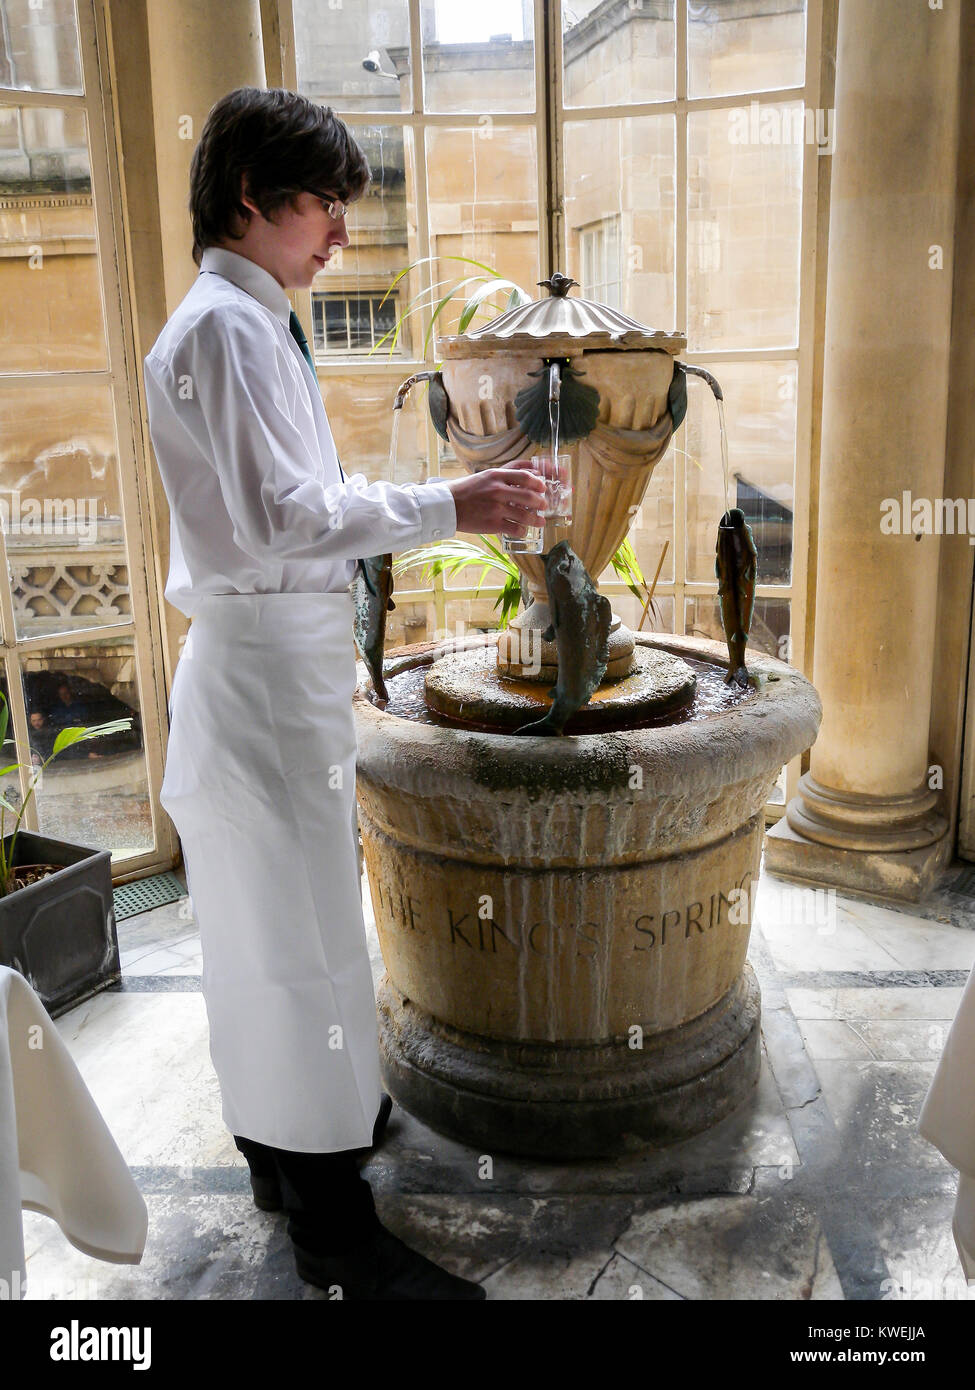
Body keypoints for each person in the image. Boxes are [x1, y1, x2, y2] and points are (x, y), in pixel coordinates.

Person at [142, 86, 546, 1301]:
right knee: (306, 943)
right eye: (326, 205)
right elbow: (281, 519)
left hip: (264, 667)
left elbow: (288, 498)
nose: (339, 234)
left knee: (268, 938)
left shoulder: (240, 322)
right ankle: (335, 1233)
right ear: (256, 198)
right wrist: (451, 505)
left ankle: (283, 1150)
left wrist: (417, 497)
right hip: (263, 676)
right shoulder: (227, 328)